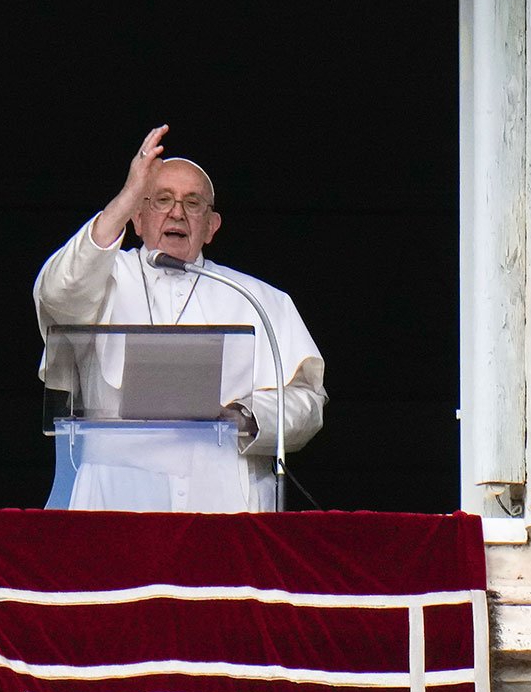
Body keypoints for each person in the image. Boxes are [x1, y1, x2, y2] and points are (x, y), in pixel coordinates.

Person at [34, 124, 326, 511]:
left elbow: (308, 401)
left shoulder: (257, 298)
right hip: (116, 492)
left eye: (193, 203)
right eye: (161, 200)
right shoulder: (104, 277)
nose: (177, 212)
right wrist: (127, 195)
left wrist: (246, 417)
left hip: (224, 497)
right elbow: (57, 292)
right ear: (137, 218)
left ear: (211, 227)